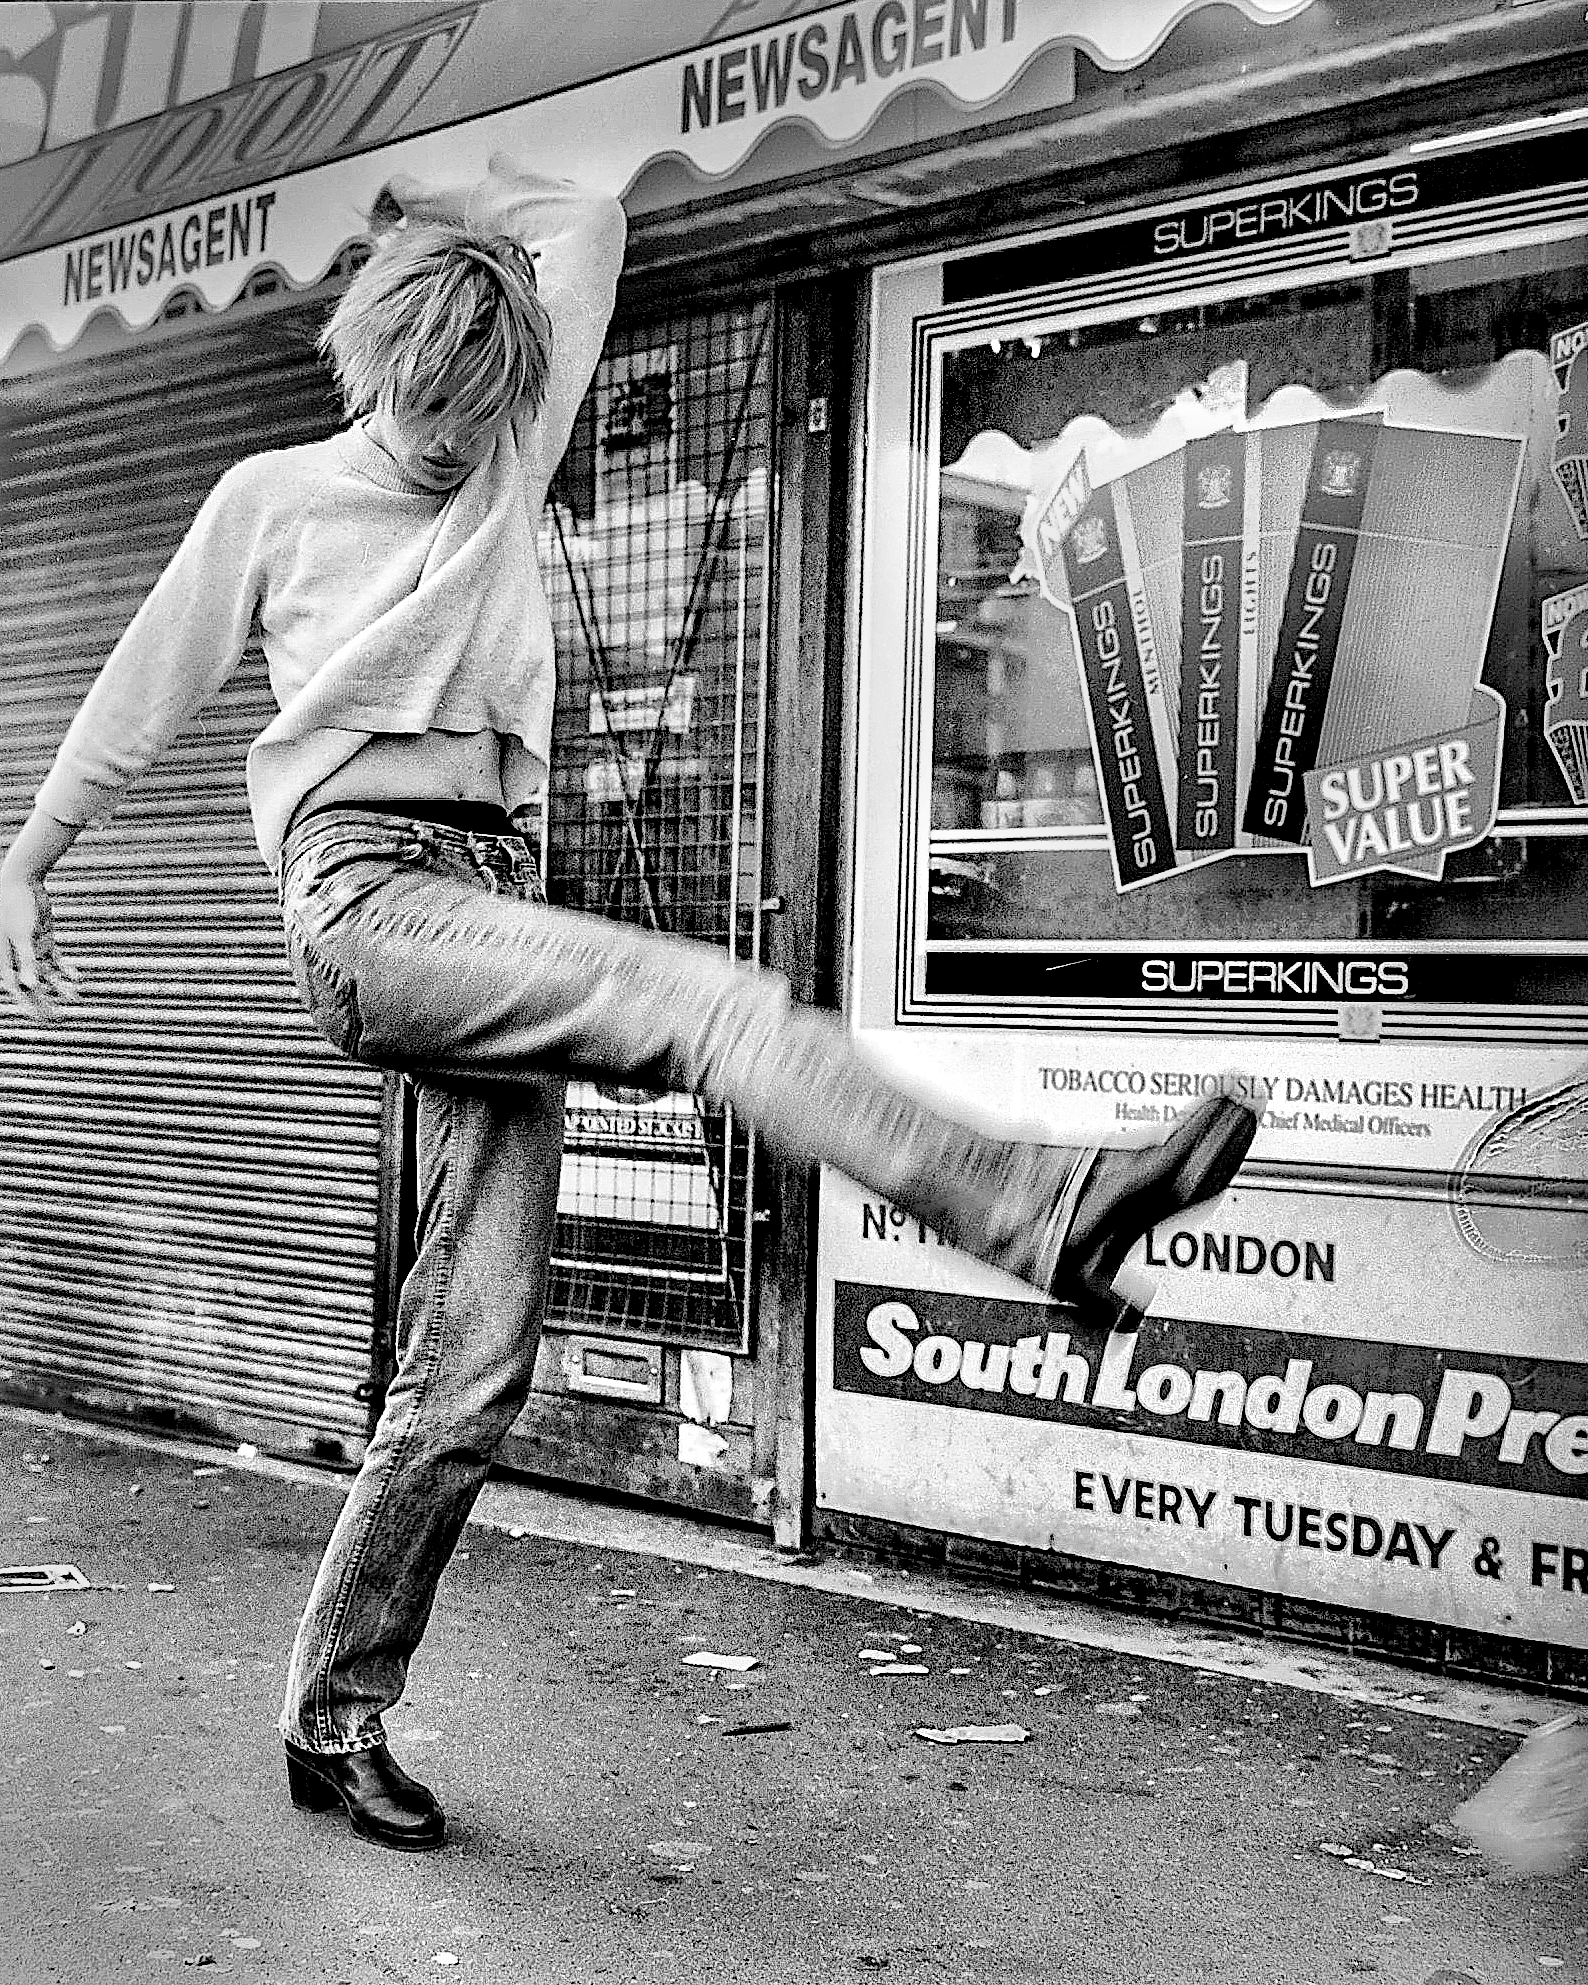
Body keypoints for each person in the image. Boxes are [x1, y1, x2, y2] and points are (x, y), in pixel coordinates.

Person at [0, 157, 1257, 1853]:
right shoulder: (272, 500)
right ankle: (1040, 1209)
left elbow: (583, 222)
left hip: (490, 894)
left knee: (470, 1370)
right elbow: (142, 686)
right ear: (367, 366)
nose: (447, 442)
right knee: (712, 1007)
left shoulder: (512, 446)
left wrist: (442, 201)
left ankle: (330, 1715)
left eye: (477, 410)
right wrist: (33, 855)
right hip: (368, 903)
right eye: (423, 405)